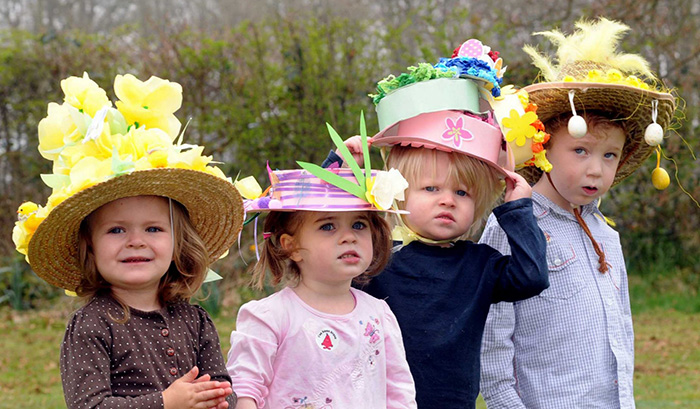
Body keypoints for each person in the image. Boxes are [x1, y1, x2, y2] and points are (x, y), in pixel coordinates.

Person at [329, 39, 549, 408]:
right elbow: (325, 238)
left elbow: (532, 276)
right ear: (400, 193)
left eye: (462, 194)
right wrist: (339, 167)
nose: (447, 199)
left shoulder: (479, 264)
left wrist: (518, 210)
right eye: (430, 188)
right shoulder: (377, 257)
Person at [12, 73, 244, 408]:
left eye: (153, 229)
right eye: (116, 230)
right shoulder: (93, 324)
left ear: (179, 244)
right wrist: (165, 402)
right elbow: (88, 405)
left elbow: (221, 385)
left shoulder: (195, 321)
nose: (136, 241)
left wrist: (220, 399)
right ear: (89, 246)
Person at [479, 18, 677, 409]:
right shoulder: (513, 223)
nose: (596, 169)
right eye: (581, 150)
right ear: (545, 147)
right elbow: (492, 340)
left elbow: (621, 336)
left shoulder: (607, 235)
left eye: (609, 155)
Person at [226, 132, 417, 408]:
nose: (348, 237)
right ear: (291, 246)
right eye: (328, 226)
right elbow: (245, 391)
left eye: (359, 225)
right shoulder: (271, 317)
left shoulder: (379, 315)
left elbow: (399, 394)